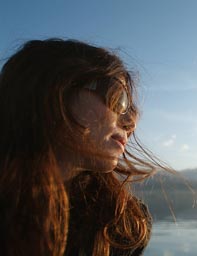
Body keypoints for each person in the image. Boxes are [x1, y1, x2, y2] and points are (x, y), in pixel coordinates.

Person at [0, 38, 163, 255]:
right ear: (54, 90)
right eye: (119, 99)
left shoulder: (122, 227)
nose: (131, 122)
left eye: (131, 110)